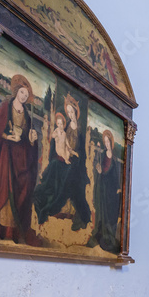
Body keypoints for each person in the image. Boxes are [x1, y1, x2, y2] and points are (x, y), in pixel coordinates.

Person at [0, 74, 41, 245]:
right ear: (16, 91)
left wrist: (32, 138)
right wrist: (8, 136)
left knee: (21, 188)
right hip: (8, 156)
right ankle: (1, 229)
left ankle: (14, 231)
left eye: (26, 94)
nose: (23, 96)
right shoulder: (6, 107)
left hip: (21, 157)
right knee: (6, 190)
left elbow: (29, 138)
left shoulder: (27, 114)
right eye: (22, 92)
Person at [33, 94, 92, 231]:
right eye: (69, 112)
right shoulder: (64, 129)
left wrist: (74, 158)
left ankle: (53, 207)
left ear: (76, 113)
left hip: (75, 163)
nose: (71, 114)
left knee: (69, 180)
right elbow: (61, 143)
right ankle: (45, 199)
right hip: (64, 158)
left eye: (73, 112)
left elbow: (81, 152)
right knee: (54, 167)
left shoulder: (80, 132)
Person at [87, 129, 122, 253]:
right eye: (105, 141)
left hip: (111, 191)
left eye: (108, 141)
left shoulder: (115, 159)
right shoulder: (101, 155)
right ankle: (100, 235)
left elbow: (116, 176)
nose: (106, 144)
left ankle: (108, 237)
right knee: (101, 213)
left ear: (111, 142)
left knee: (109, 214)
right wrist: (99, 171)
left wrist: (117, 188)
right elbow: (99, 169)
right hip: (102, 188)